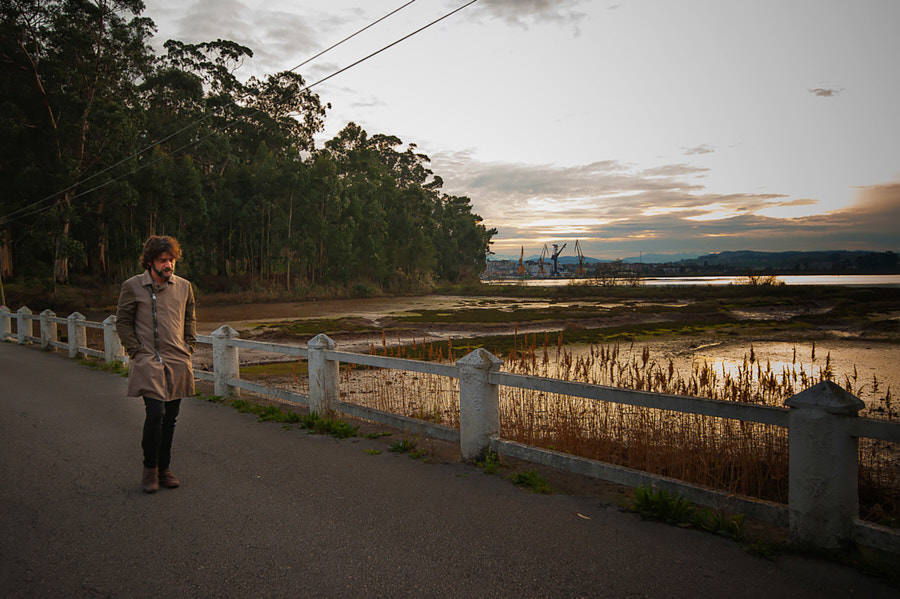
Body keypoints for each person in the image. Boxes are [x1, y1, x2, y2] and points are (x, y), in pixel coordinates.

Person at [116, 235, 196, 493]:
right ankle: (149, 469)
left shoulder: (184, 286)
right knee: (155, 415)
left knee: (170, 418)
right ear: (150, 261)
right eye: (163, 260)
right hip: (148, 360)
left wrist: (189, 346)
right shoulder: (133, 286)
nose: (168, 264)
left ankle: (165, 469)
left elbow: (190, 318)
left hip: (177, 360)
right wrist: (135, 350)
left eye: (171, 259)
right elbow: (123, 321)